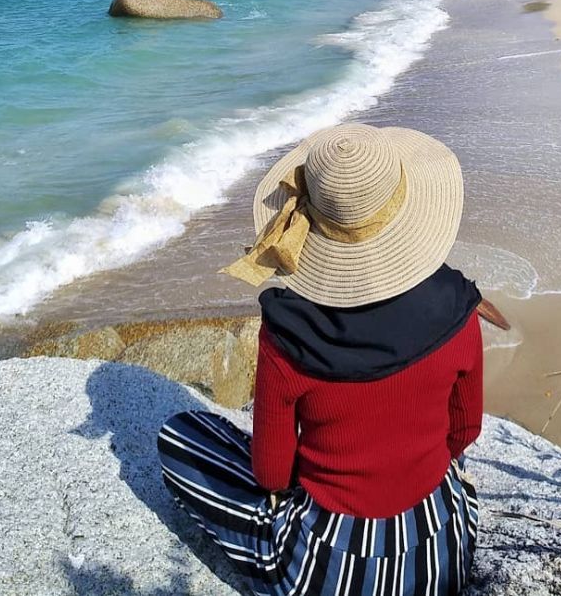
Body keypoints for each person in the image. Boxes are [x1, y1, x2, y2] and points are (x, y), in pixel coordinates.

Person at [158, 123, 483, 596]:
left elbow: (272, 472)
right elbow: (464, 430)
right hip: (437, 553)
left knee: (181, 435)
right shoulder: (457, 306)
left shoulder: (289, 334)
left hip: (333, 567)